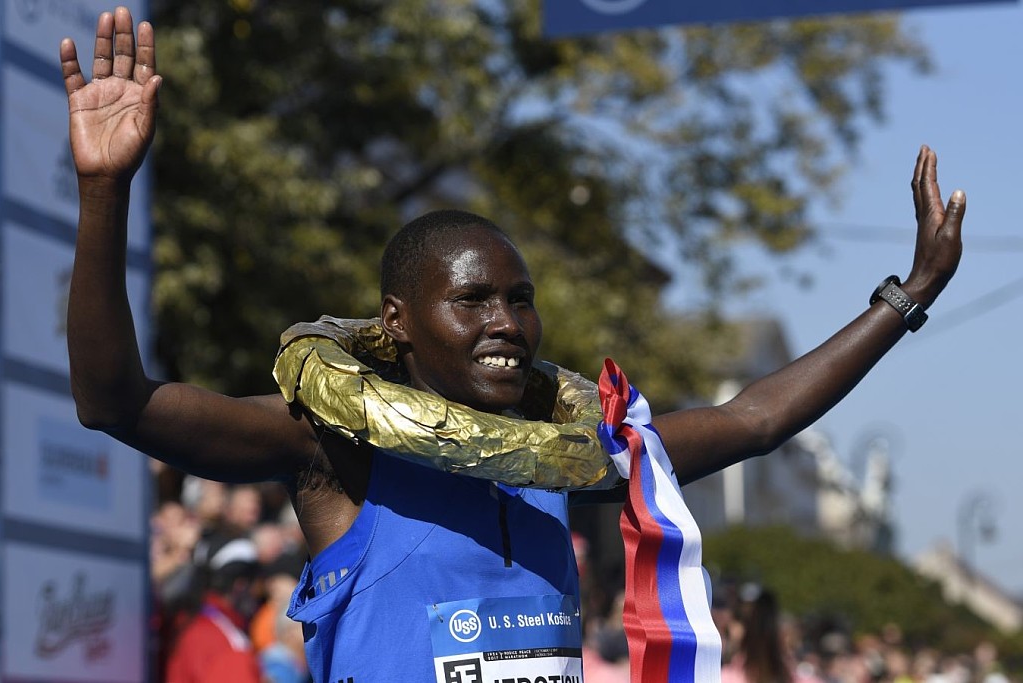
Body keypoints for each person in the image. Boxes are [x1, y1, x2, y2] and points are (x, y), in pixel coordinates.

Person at [60, 7, 966, 682]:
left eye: (520, 300)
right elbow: (116, 402)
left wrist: (909, 295)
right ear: (396, 322)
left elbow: (753, 419)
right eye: (472, 300)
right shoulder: (333, 448)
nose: (506, 322)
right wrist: (105, 192)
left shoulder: (576, 453)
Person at [164, 533, 262, 683]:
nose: (257, 593)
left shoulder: (189, 622)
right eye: (255, 583)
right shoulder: (223, 639)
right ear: (240, 584)